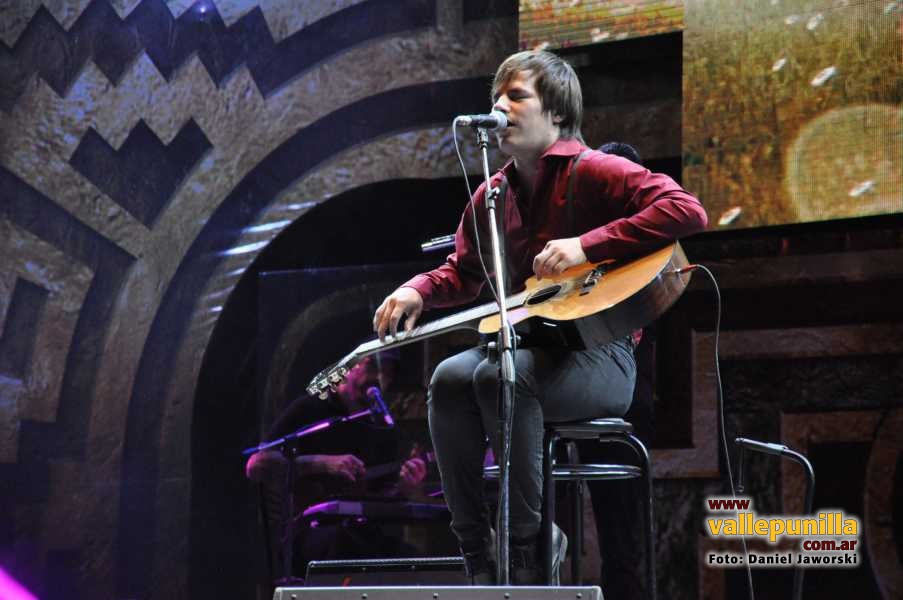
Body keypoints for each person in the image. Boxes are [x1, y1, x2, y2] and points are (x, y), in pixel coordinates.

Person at [372, 50, 707, 585]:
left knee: (504, 375)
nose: (499, 107)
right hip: (525, 351)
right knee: (450, 378)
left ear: (556, 111)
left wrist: (586, 245)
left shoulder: (594, 169)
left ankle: (526, 550)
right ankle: (479, 554)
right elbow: (463, 271)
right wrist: (417, 289)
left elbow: (686, 210)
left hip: (602, 356)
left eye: (515, 96)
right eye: (495, 97)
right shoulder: (492, 194)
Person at [246, 353, 428, 576]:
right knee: (343, 547)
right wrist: (322, 463)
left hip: (360, 532)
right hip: (305, 532)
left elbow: (380, 495)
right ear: (348, 368)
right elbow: (256, 465)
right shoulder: (311, 409)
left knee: (414, 563)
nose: (379, 376)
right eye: (373, 365)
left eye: (387, 372)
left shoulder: (381, 429)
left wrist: (405, 488)